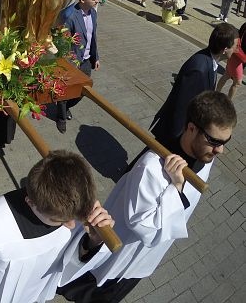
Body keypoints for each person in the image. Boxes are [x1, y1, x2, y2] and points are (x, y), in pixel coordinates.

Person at [58, 91, 237, 303]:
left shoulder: (205, 154)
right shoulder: (151, 167)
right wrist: (176, 189)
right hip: (120, 253)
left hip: (144, 259)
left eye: (225, 141)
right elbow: (144, 229)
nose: (220, 150)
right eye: (215, 141)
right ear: (191, 128)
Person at [0, 150, 114, 303]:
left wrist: (93, 242)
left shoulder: (70, 206)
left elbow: (67, 264)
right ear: (30, 202)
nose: (72, 225)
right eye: (58, 221)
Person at [150, 22, 238, 143]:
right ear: (225, 49)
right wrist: (178, 141)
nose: (237, 50)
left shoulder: (211, 61)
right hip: (174, 136)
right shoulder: (198, 70)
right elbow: (181, 108)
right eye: (235, 46)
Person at [55, 0, 100, 134]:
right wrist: (67, 64)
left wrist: (96, 57)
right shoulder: (69, 16)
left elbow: (92, 38)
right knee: (65, 91)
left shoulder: (93, 13)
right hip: (71, 62)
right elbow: (62, 43)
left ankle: (66, 106)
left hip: (86, 60)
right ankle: (61, 117)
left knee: (83, 91)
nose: (97, 1)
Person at [216, 22, 246, 100]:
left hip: (234, 53)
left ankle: (216, 93)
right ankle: (228, 101)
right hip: (239, 58)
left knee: (227, 75)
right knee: (237, 83)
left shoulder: (244, 24)